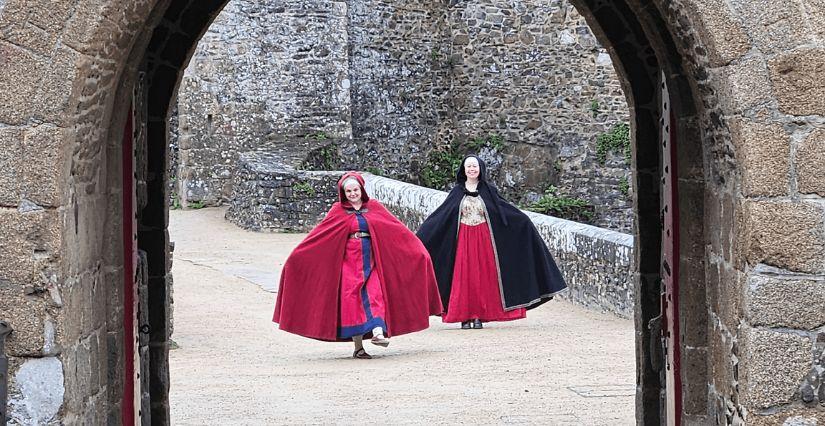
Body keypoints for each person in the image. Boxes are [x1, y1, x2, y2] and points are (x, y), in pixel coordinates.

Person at [273, 171, 443, 359]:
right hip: (349, 264)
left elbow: (397, 230)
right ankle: (358, 347)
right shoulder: (338, 211)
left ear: (361, 189)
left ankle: (378, 333)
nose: (353, 193)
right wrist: (296, 259)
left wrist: (418, 251)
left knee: (376, 293)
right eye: (349, 191)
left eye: (355, 190)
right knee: (351, 303)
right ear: (343, 193)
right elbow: (320, 236)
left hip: (371, 260)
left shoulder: (375, 207)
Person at [416, 155, 567, 329]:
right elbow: (441, 217)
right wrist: (419, 238)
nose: (472, 169)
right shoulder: (457, 192)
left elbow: (503, 211)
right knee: (464, 278)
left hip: (484, 241)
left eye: (475, 166)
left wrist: (523, 221)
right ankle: (464, 316)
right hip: (463, 242)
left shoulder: (489, 191)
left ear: (480, 168)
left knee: (483, 278)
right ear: (463, 170)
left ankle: (480, 315)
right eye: (469, 167)